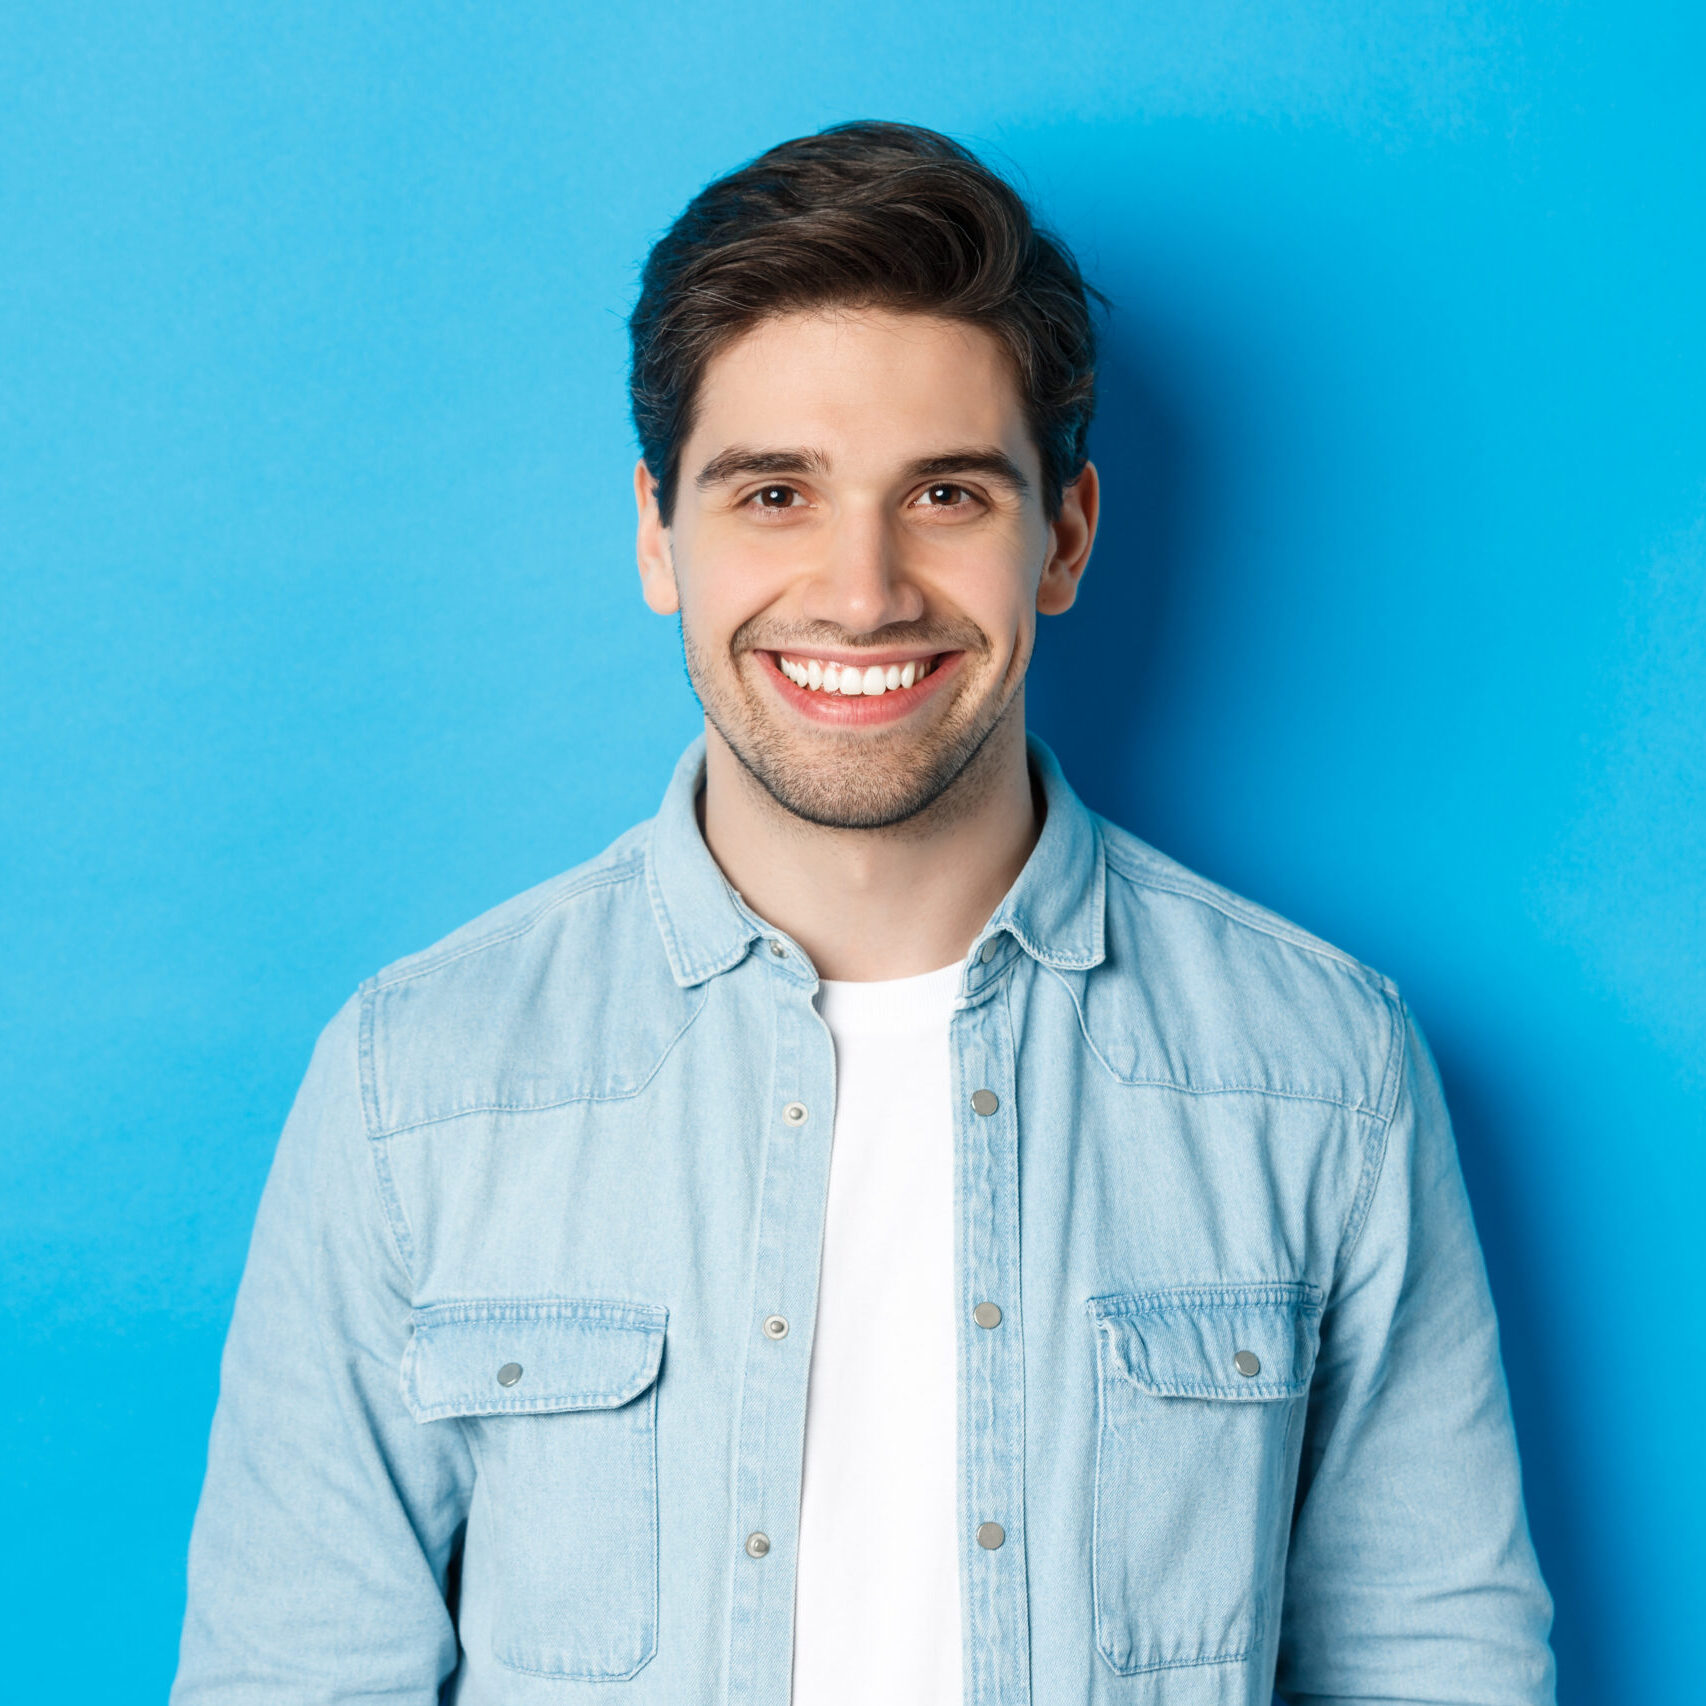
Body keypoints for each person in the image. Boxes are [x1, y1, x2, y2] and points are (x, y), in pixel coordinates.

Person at [172, 121, 1556, 1706]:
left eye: (946, 493)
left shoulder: (1320, 1069)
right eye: (772, 491)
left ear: (1066, 535)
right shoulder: (413, 1084)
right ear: (654, 532)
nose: (859, 588)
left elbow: (1434, 1664)